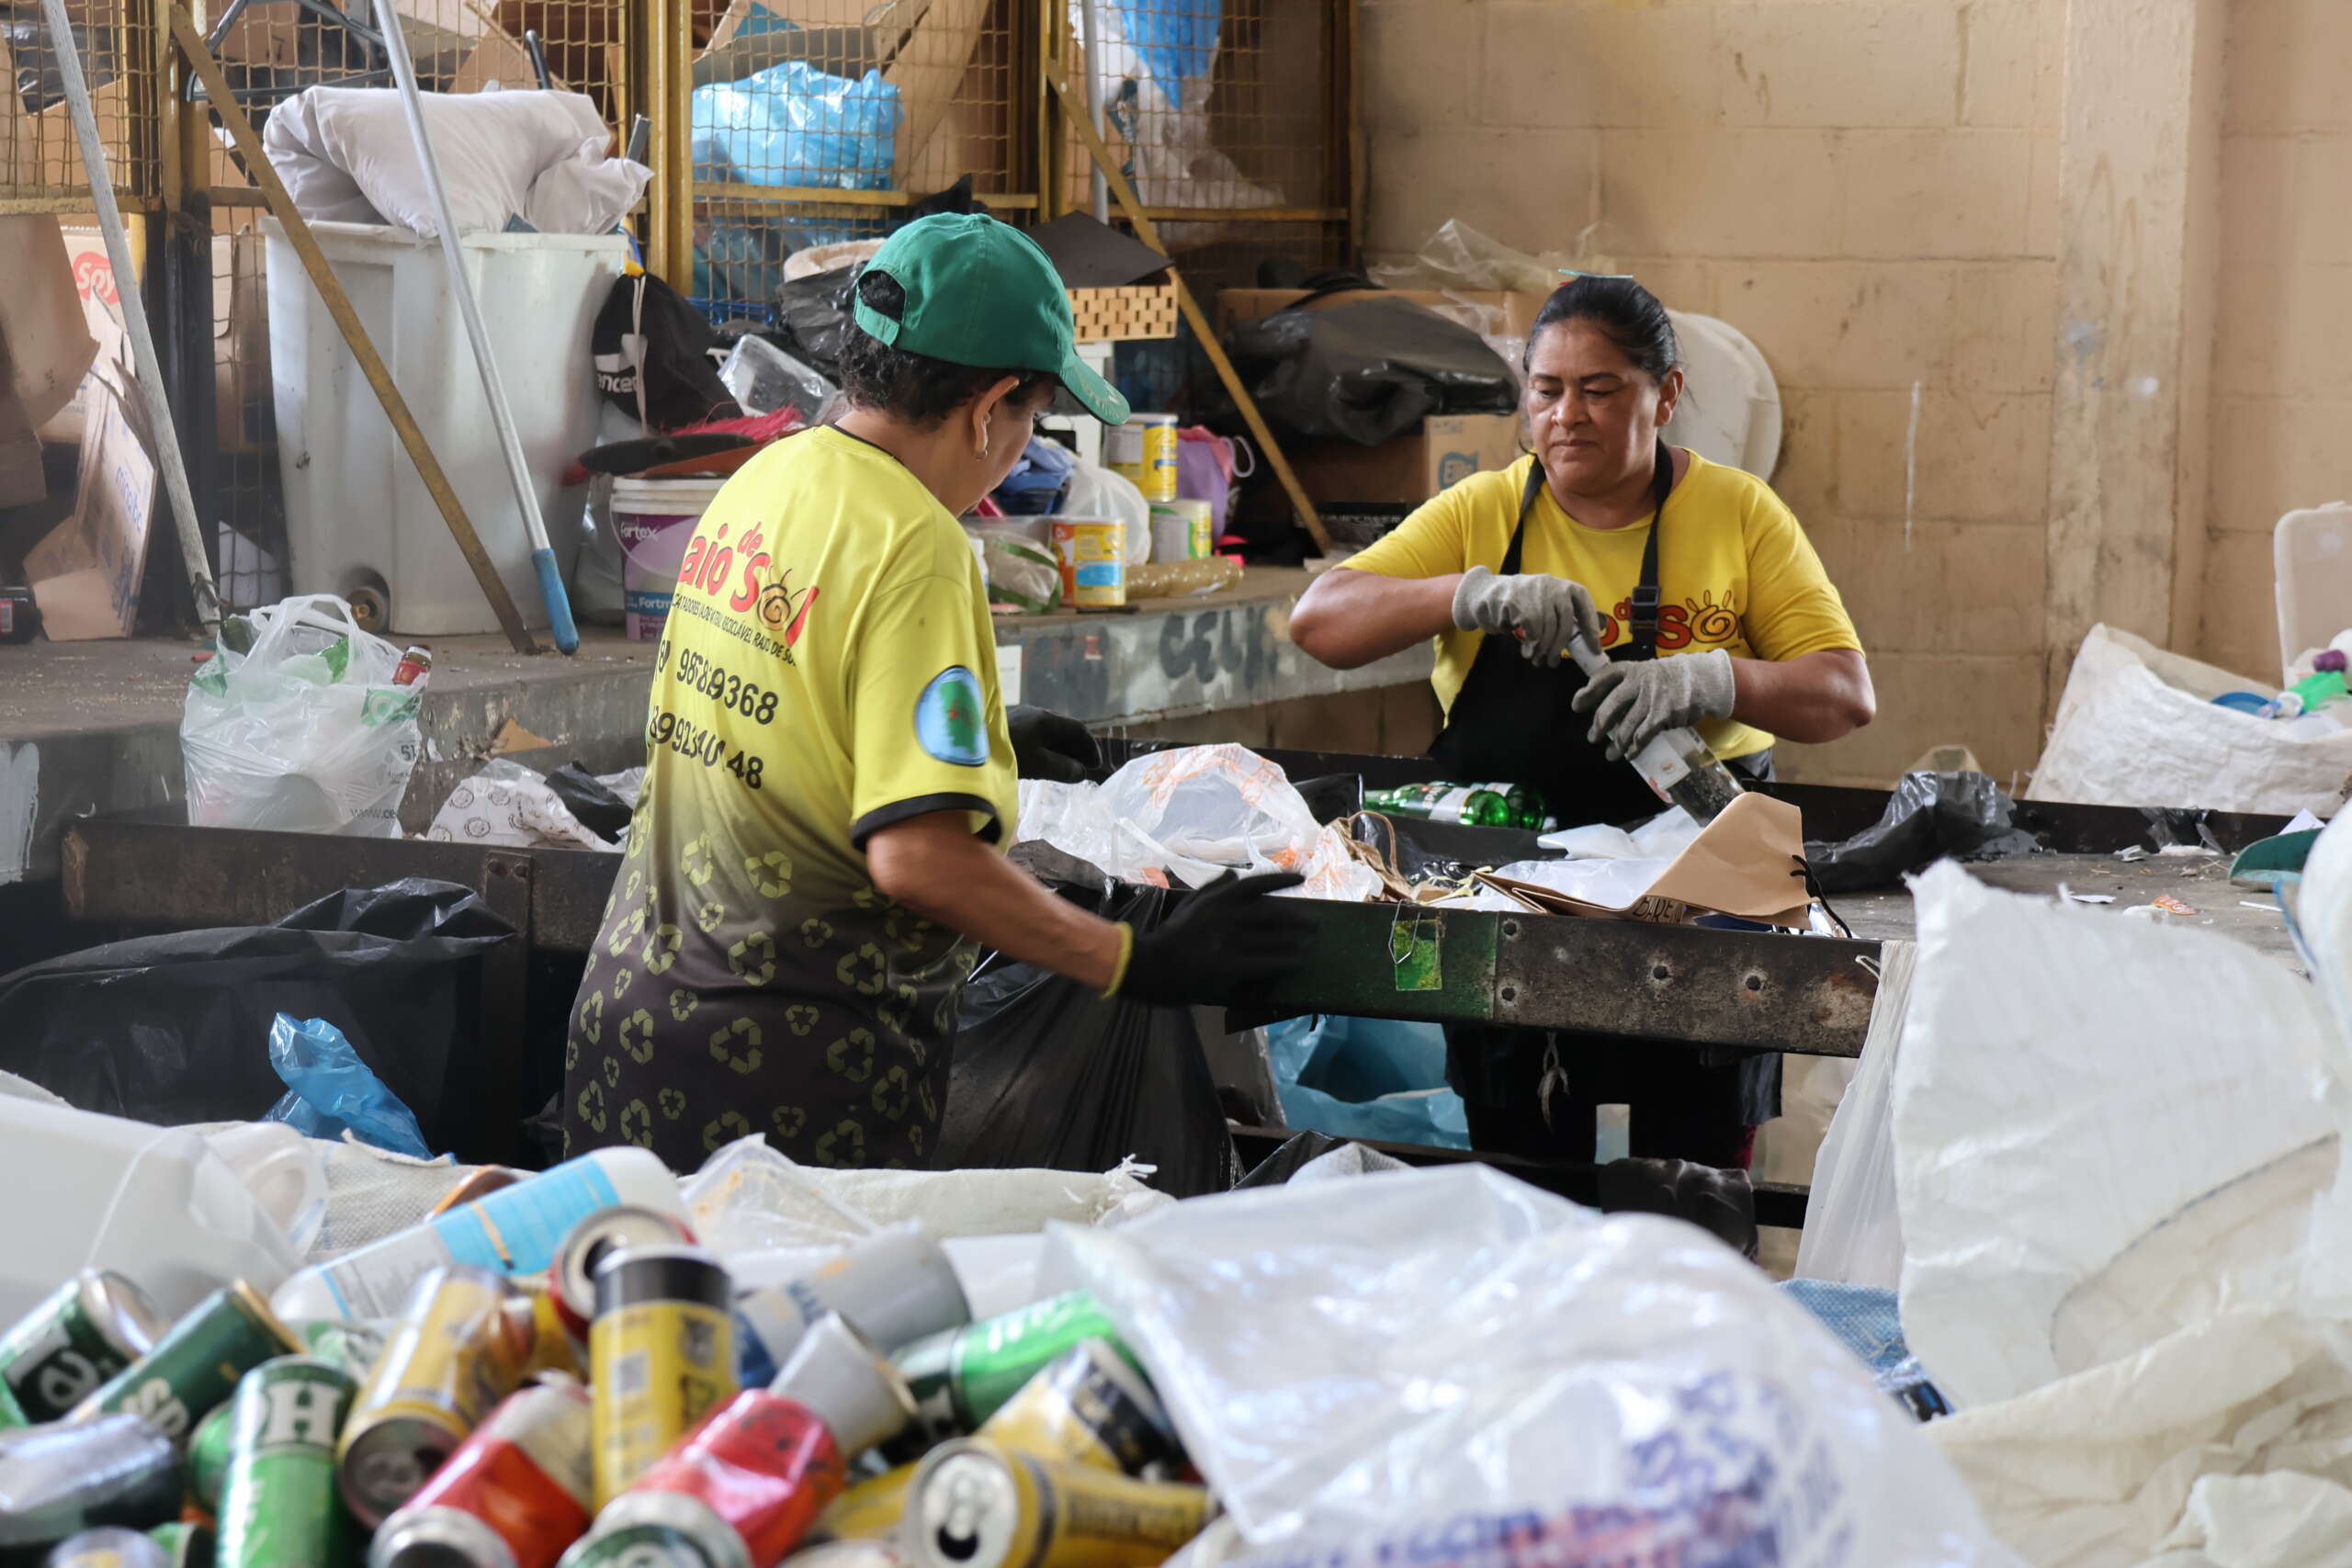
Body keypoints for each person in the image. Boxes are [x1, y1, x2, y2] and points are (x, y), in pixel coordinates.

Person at [564, 213, 1311, 1172]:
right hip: (783, 1082)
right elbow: (917, 858)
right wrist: (1132, 960)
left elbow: (782, 701)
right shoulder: (917, 544)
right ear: (989, 406)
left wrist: (971, 744)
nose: (1020, 447)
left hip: (629, 1035)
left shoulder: (773, 475)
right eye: (1031, 418)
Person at [1287, 273, 1873, 1169]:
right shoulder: (1485, 511)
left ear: (1665, 395)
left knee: (1691, 1187)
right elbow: (1319, 622)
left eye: (1599, 390)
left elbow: (1844, 694)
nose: (1567, 416)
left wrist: (1716, 678)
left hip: (1701, 902)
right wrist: (1470, 594)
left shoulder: (1737, 512)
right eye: (1547, 390)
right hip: (1518, 897)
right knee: (1526, 1181)